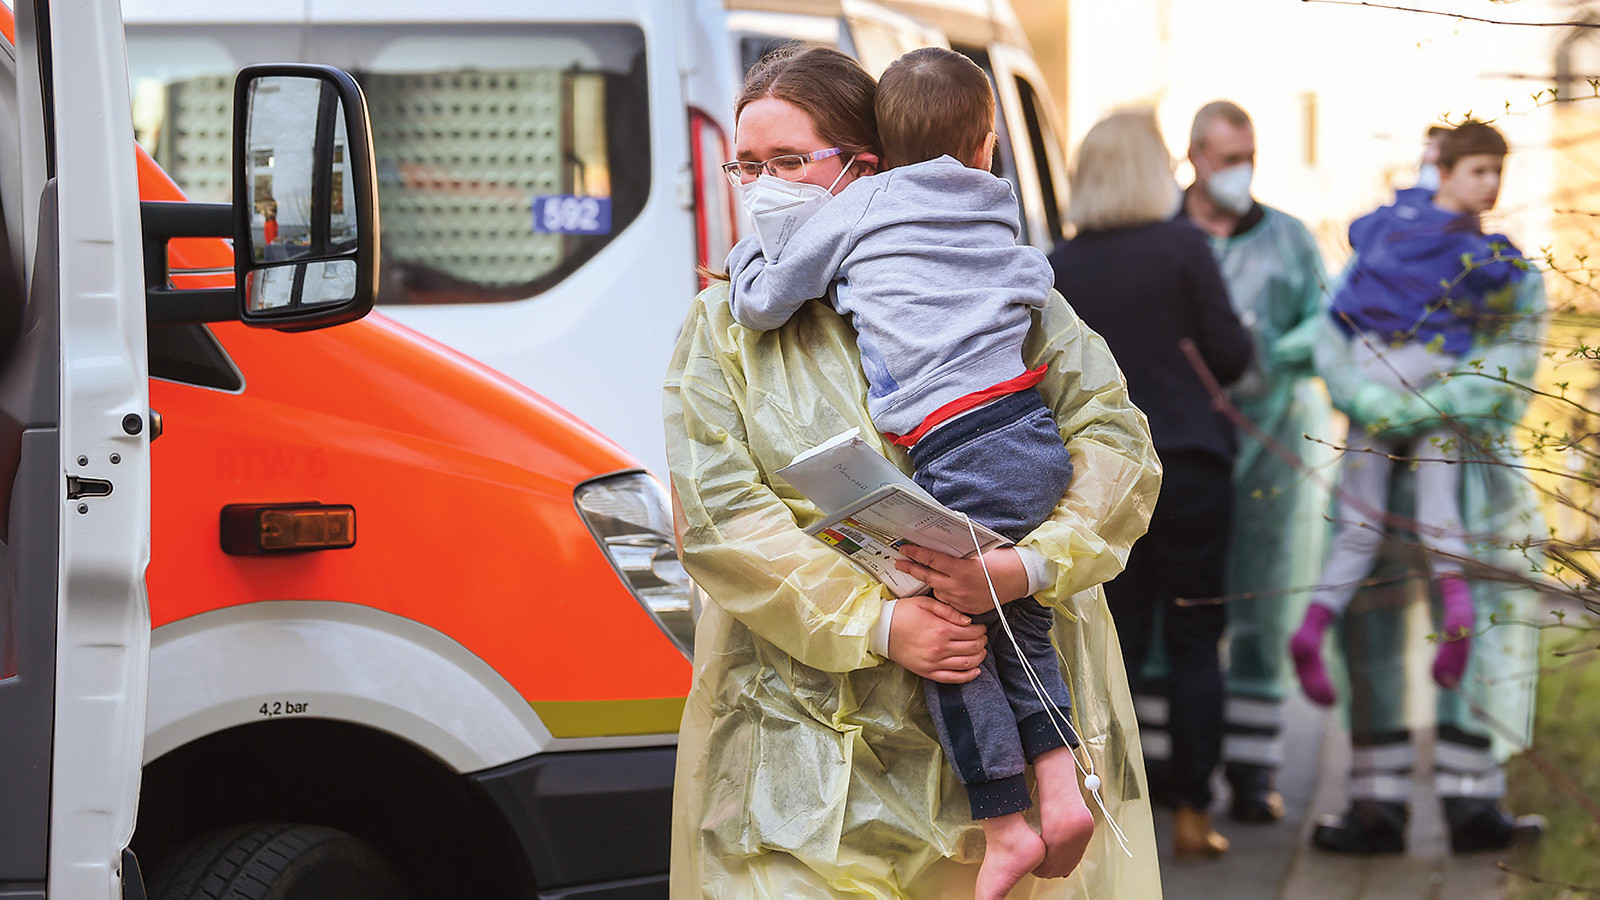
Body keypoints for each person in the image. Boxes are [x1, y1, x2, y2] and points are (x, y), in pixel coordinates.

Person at [666, 44, 1163, 898]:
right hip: (806, 773)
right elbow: (718, 515)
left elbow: (1117, 447)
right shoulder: (724, 326)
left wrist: (1023, 569)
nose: (765, 186)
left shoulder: (1003, 293)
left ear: (873, 163)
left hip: (1010, 771)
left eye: (788, 161)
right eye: (746, 166)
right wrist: (880, 625)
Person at [1296, 120, 1548, 855]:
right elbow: (1331, 331)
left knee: (1478, 624)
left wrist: (1428, 401)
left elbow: (1515, 357)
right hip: (1395, 473)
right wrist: (1369, 395)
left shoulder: (1505, 269)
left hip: (1466, 474)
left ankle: (1474, 805)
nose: (1488, 185)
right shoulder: (1386, 253)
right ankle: (1377, 806)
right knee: (1374, 629)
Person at [1049, 108, 1254, 860]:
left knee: (1114, 644)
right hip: (1193, 468)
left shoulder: (1059, 266)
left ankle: (1112, 810)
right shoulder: (1185, 249)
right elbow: (1229, 356)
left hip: (1101, 480)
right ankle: (1196, 812)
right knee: (1199, 640)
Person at [1157, 99, 1333, 824]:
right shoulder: (1161, 240)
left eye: (1248, 156)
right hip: (1185, 443)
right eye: (1228, 158)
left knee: (1264, 594)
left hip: (1273, 442)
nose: (1241, 172)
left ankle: (1254, 770)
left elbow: (1326, 316)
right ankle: (1170, 762)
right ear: (1194, 156)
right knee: (1180, 605)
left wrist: (1273, 354)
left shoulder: (1288, 240)